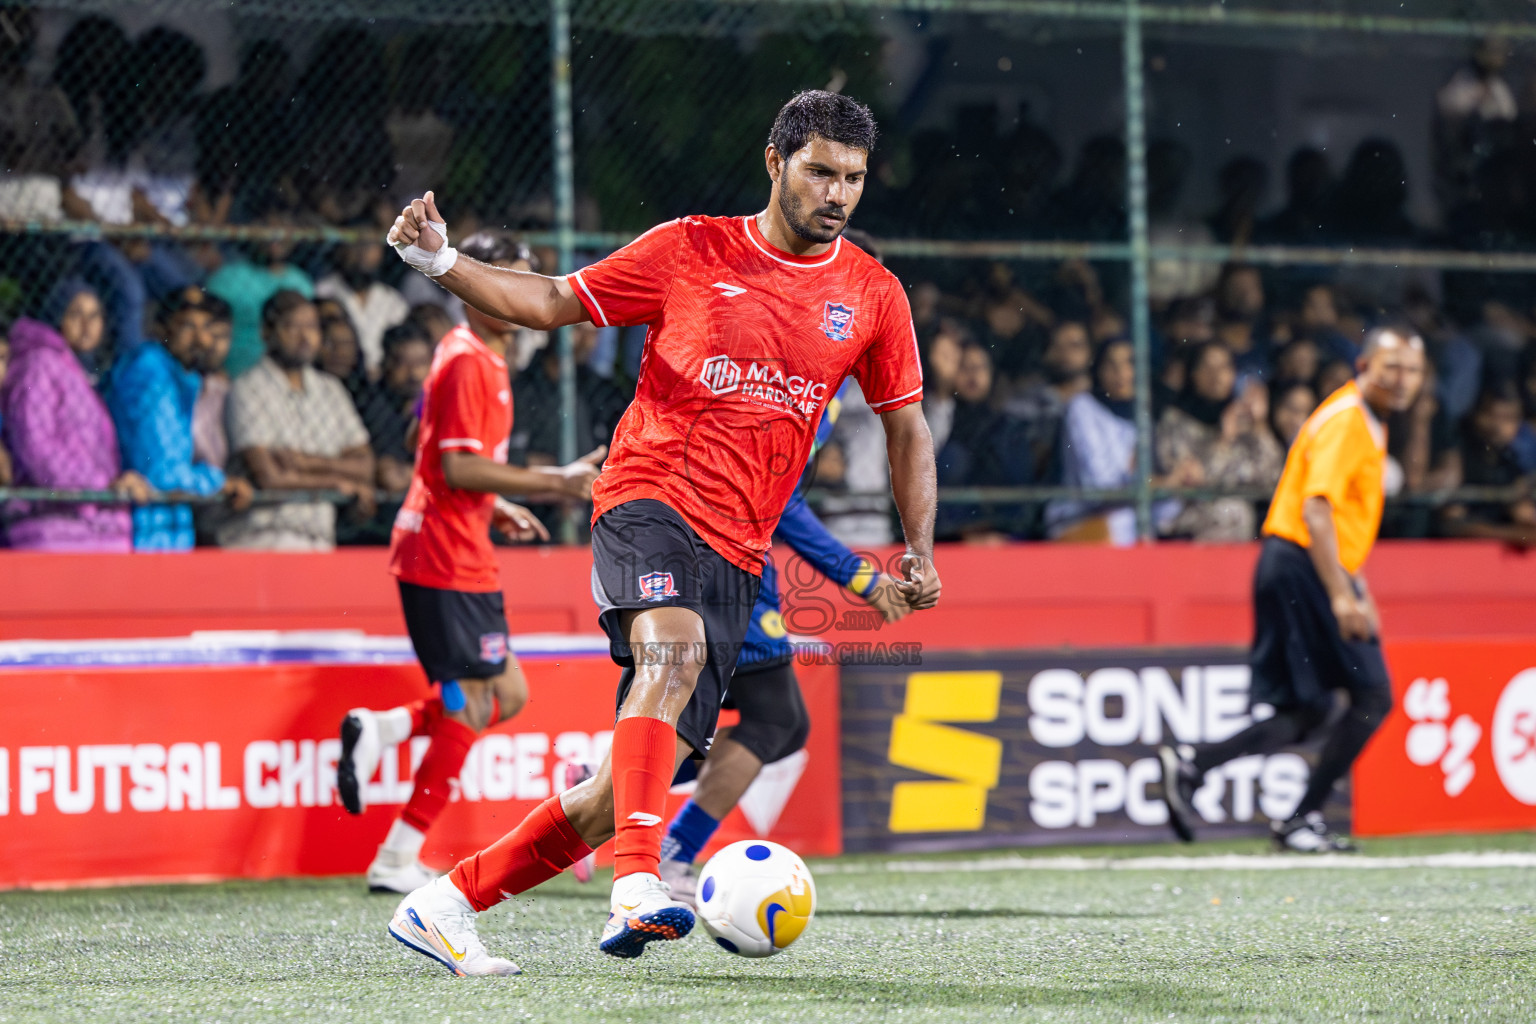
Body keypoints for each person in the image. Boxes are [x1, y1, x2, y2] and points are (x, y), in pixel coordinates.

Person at [381, 89, 939, 974]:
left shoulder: (872, 294)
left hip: (740, 551)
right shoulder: (690, 249)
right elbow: (551, 302)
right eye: (819, 172)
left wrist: (919, 549)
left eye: (853, 179)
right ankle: (639, 887)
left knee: (618, 794)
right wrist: (441, 261)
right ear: (775, 162)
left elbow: (906, 427)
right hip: (649, 498)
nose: (836, 194)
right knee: (671, 656)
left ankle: (443, 903)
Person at [335, 232, 603, 894]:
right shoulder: (467, 360)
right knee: (475, 703)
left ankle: (383, 729)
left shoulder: (474, 354)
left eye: (526, 281)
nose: (517, 295)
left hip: (459, 545)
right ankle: (397, 857)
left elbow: (427, 445)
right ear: (472, 285)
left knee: (505, 694)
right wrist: (555, 481)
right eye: (504, 279)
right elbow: (456, 465)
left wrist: (494, 502)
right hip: (443, 555)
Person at [1159, 325, 1427, 852]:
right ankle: (1300, 818)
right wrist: (1342, 594)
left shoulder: (1365, 419)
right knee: (1373, 695)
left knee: (1312, 710)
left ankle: (1194, 764)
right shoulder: (1348, 420)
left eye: (1414, 370)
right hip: (1304, 564)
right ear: (1363, 366)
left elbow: (1337, 519)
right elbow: (1317, 509)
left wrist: (1358, 586)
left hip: (1297, 564)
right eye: (1392, 367)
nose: (1403, 380)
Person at [656, 378, 910, 902]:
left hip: (723, 546)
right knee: (776, 719)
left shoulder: (823, 379)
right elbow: (782, 499)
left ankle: (618, 792)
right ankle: (665, 845)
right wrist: (860, 578)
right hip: (725, 551)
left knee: (774, 723)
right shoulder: (811, 375)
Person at [219, 291, 375, 550]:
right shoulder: (247, 388)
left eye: (311, 327)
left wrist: (304, 463)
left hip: (320, 537)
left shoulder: (331, 389)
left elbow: (365, 466)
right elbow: (269, 477)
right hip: (263, 537)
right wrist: (335, 482)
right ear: (266, 332)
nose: (305, 337)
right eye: (292, 327)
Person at [107, 286, 253, 550]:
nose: (202, 340)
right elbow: (161, 473)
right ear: (161, 330)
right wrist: (219, 482)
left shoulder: (180, 378)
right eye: (187, 326)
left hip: (168, 529)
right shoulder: (150, 374)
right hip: (144, 533)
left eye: (206, 328)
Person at [0, 311, 147, 550]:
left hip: (84, 522)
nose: (86, 325)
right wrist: (101, 487)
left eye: (95, 316)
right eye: (76, 314)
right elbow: (37, 448)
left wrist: (102, 489)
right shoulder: (39, 365)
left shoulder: (61, 366)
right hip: (62, 527)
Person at [1156, 343, 1284, 541]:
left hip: (1246, 519)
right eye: (1208, 368)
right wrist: (1225, 440)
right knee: (1232, 511)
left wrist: (1260, 426)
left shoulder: (1243, 419)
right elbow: (1194, 479)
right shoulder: (1175, 421)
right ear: (1194, 374)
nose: (1216, 376)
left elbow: (1274, 476)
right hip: (1188, 518)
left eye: (1224, 367)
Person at [206, 201, 315, 377]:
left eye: (283, 225)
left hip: (288, 377)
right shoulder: (227, 278)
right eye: (267, 225)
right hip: (231, 376)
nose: (275, 234)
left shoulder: (302, 283)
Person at [1437, 382, 1536, 547]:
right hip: (1452, 551)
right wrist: (1511, 534)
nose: (1498, 426)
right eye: (1493, 415)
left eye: (1509, 418)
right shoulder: (1457, 453)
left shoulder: (1512, 461)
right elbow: (1452, 522)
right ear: (1477, 415)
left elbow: (1524, 515)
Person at [356, 321, 434, 495]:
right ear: (386, 363)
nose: (413, 373)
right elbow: (389, 476)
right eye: (403, 363)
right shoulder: (372, 406)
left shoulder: (441, 403)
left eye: (421, 362)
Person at [316, 233, 410, 376]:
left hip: (383, 376)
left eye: (370, 246)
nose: (363, 253)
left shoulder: (393, 300)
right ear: (341, 249)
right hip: (336, 373)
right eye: (356, 244)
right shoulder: (323, 292)